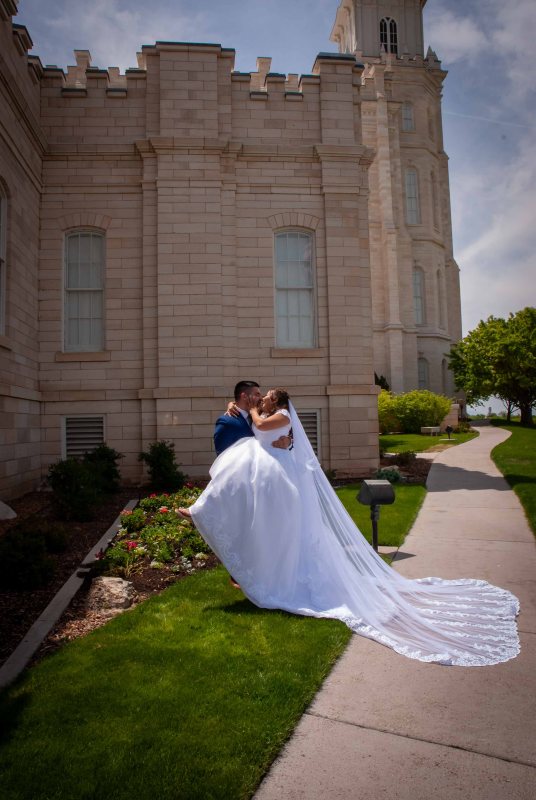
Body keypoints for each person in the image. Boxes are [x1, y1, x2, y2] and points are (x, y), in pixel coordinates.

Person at [178, 389, 520, 667]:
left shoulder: (278, 416)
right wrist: (247, 412)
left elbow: (265, 426)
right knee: (281, 530)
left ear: (278, 402)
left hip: (279, 479)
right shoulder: (266, 416)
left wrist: (254, 413)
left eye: (265, 396)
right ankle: (232, 537)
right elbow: (269, 433)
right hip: (270, 476)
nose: (261, 400)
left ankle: (270, 566)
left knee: (291, 534)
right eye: (258, 397)